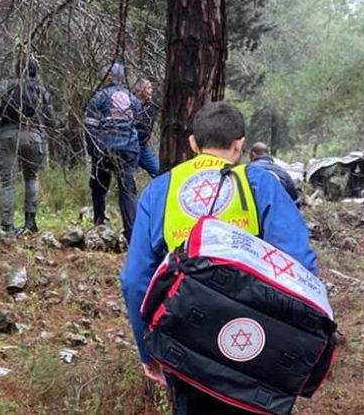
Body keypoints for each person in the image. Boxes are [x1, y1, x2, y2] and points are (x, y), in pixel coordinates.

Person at [120, 101, 317, 415]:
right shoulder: (261, 185)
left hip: (184, 346)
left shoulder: (160, 191)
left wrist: (149, 352)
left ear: (194, 144)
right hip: (257, 344)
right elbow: (301, 268)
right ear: (239, 144)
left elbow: (134, 281)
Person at [0, 58, 56, 237]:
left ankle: (7, 227)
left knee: (8, 182)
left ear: (18, 70)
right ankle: (30, 222)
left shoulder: (8, 84)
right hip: (34, 135)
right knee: (31, 178)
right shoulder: (40, 90)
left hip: (8, 134)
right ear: (35, 72)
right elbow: (52, 119)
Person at [84, 63, 142, 239]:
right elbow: (141, 124)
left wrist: (93, 150)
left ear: (108, 77)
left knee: (99, 187)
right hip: (129, 149)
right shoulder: (133, 99)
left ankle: (99, 225)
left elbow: (90, 125)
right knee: (127, 190)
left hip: (105, 149)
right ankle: (131, 233)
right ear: (123, 78)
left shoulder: (100, 97)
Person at [134, 78, 161, 178]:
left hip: (143, 146)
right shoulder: (130, 103)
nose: (151, 90)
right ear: (141, 89)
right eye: (148, 88)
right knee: (128, 177)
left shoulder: (151, 106)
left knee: (158, 171)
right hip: (130, 146)